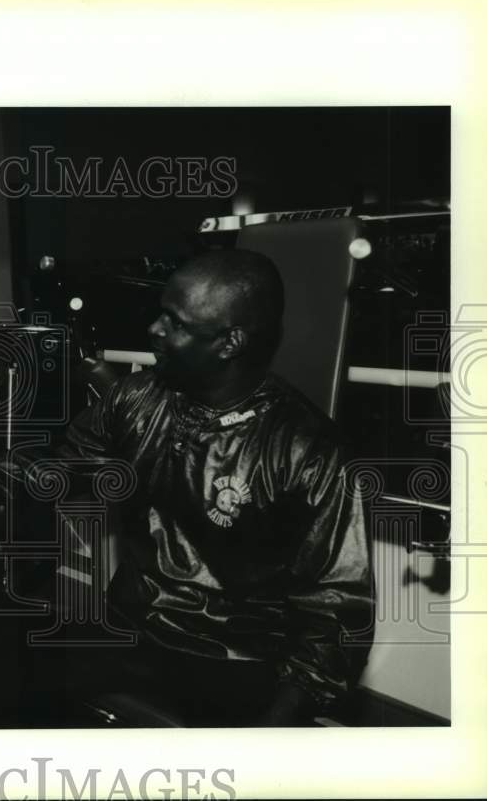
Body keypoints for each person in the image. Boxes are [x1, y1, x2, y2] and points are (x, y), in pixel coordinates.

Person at [58, 249, 375, 726]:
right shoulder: (134, 398)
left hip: (235, 658)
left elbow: (335, 619)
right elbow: (54, 473)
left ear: (229, 343)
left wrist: (268, 738)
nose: (154, 330)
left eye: (176, 323)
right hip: (131, 627)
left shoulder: (310, 451)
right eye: (160, 313)